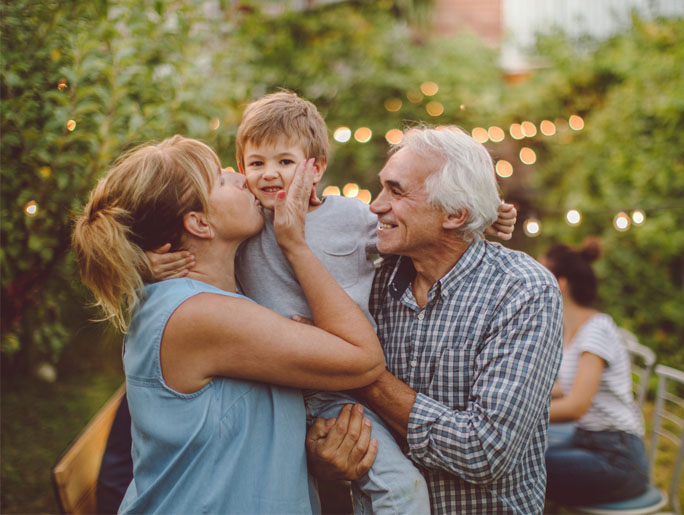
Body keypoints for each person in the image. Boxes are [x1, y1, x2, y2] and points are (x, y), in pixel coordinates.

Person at [144, 92, 517, 514]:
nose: (269, 175)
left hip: (339, 391)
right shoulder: (246, 224)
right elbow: (181, 245)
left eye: (285, 162)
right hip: (276, 384)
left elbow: (420, 230)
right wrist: (147, 262)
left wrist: (486, 216)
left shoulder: (350, 219)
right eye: (255, 164)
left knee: (401, 487)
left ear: (315, 167)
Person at [73, 135, 385, 513]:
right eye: (220, 179)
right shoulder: (199, 315)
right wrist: (294, 244)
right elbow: (364, 358)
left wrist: (315, 455)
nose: (240, 177)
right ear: (200, 223)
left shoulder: (190, 299)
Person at [306, 126, 563, 514]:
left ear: (456, 213)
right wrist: (322, 453)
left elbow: (484, 451)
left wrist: (352, 365)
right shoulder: (368, 280)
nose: (375, 206)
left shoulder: (522, 290)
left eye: (396, 191)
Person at [540, 239, 649, 506]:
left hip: (617, 458)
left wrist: (514, 414)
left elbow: (576, 406)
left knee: (520, 466)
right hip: (590, 442)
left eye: (539, 273)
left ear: (560, 284)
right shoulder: (574, 330)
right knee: (525, 455)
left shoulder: (596, 330)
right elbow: (566, 387)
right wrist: (522, 393)